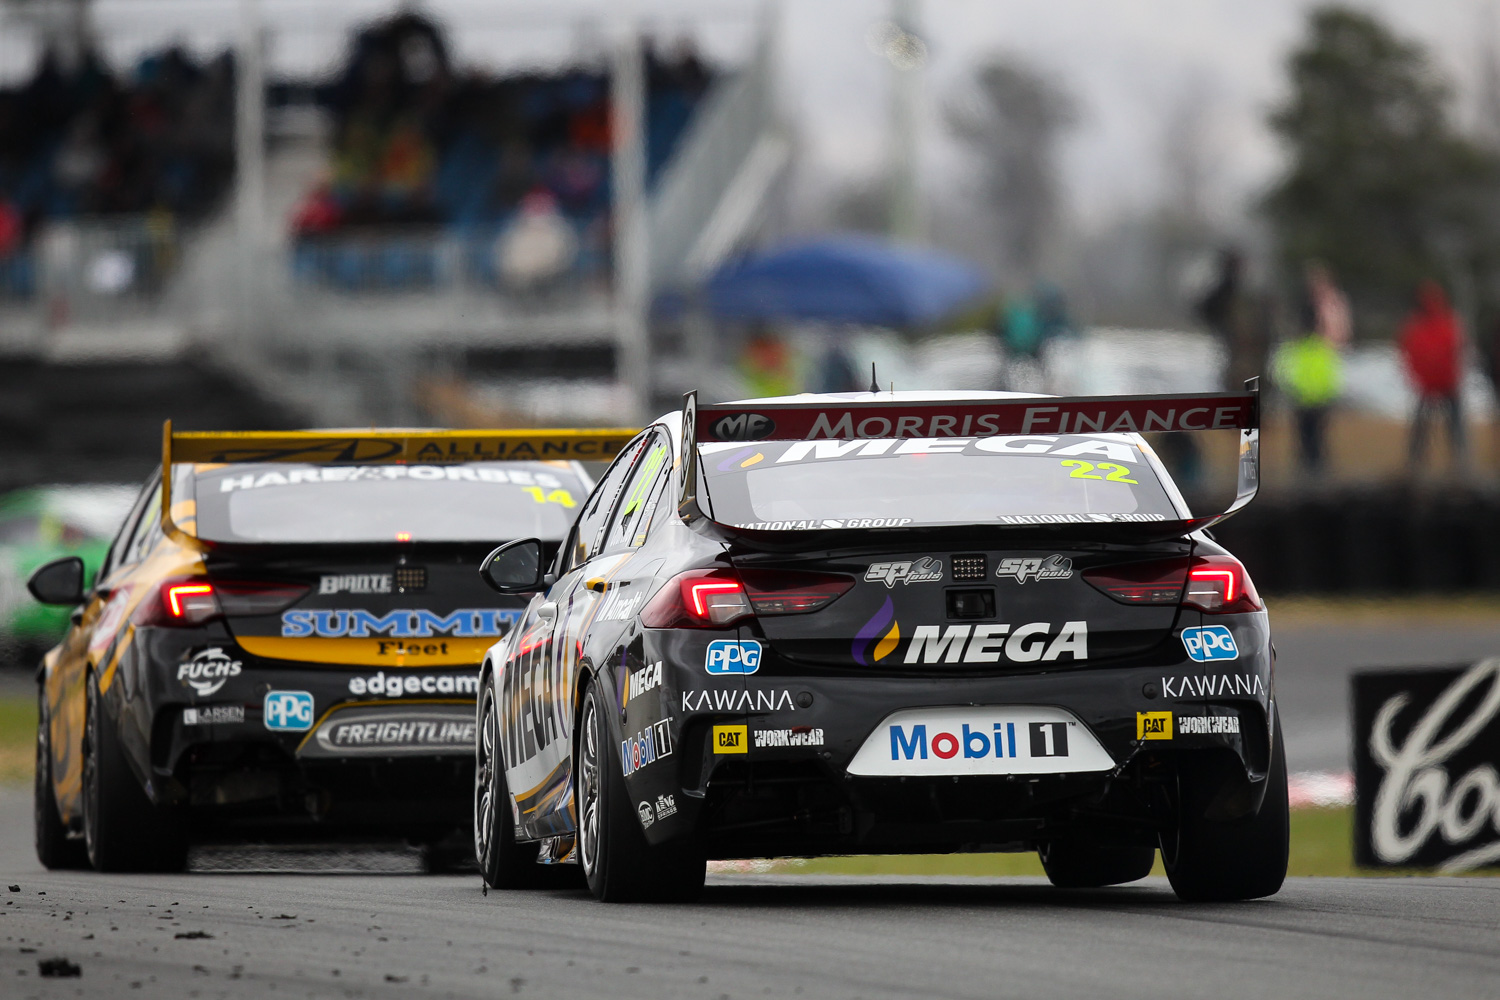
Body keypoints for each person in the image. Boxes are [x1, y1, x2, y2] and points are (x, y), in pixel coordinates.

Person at [1398, 280, 1466, 471]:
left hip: (1438, 381)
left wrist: (1418, 375)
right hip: (1440, 381)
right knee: (1450, 425)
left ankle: (1418, 460)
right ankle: (1457, 459)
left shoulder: (1420, 324)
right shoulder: (1446, 321)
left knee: (1432, 425)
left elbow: (1410, 352)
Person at [1272, 298, 1343, 475]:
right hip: (1317, 400)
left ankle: (1308, 470)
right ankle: (1315, 470)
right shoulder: (1322, 348)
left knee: (1306, 439)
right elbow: (1332, 374)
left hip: (1304, 400)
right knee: (1315, 439)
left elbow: (1283, 373)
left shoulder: (1296, 348)